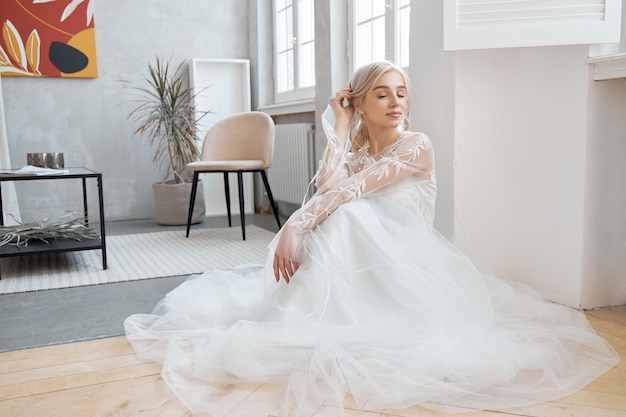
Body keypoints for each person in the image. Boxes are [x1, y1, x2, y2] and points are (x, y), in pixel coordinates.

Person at [125, 62, 619, 417]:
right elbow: (328, 185)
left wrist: (294, 224)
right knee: (340, 216)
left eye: (401, 92)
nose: (396, 102)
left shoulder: (416, 145)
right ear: (359, 102)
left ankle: (328, 320)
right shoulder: (358, 146)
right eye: (381, 93)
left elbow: (345, 193)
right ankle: (305, 318)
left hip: (404, 267)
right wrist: (340, 126)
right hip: (359, 262)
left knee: (346, 215)